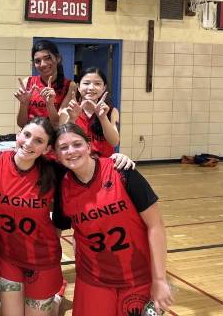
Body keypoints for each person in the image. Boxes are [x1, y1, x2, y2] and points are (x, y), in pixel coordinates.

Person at [53, 123, 173, 316]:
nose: (71, 151)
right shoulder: (63, 188)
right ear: (57, 155)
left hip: (137, 278)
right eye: (63, 148)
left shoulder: (122, 171)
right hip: (93, 280)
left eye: (77, 144)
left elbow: (156, 224)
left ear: (89, 146)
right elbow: (58, 231)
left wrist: (159, 279)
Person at [0, 117, 66, 316]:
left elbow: (62, 218)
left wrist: (115, 161)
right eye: (26, 135)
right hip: (8, 258)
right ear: (18, 135)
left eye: (38, 140)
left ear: (47, 149)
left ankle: (56, 300)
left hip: (43, 260)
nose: (29, 143)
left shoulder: (55, 171)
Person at [58, 67, 120, 157]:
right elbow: (62, 143)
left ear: (104, 88)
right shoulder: (67, 112)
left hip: (103, 165)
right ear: (78, 87)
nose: (91, 88)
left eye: (97, 84)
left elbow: (114, 142)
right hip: (77, 164)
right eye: (86, 83)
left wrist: (103, 118)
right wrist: (72, 119)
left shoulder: (111, 111)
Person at [15, 40, 76, 128]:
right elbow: (21, 124)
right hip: (31, 137)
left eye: (47, 58)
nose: (42, 64)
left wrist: (50, 104)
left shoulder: (69, 86)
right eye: (37, 61)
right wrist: (23, 104)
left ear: (57, 58)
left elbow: (59, 124)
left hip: (54, 138)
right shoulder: (27, 82)